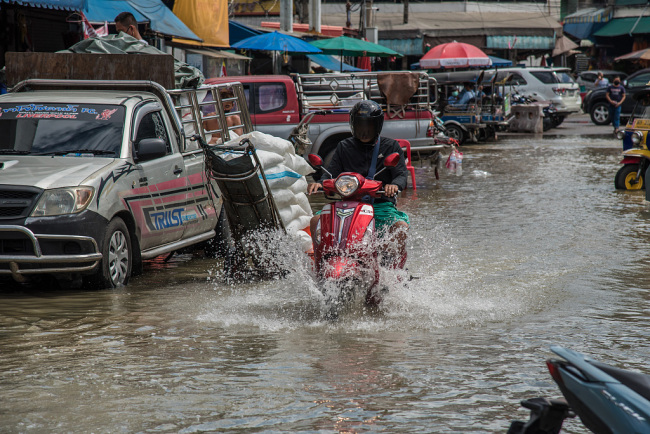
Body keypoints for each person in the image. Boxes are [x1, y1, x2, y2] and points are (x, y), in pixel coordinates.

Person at [307, 100, 410, 268]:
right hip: (346, 204)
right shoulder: (344, 146)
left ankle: (396, 272)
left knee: (400, 227)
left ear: (377, 125)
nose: (364, 131)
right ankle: (320, 266)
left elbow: (400, 174)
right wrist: (319, 183)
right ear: (353, 125)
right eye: (360, 125)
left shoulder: (390, 146)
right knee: (315, 220)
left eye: (368, 126)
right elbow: (332, 173)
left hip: (380, 204)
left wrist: (395, 186)